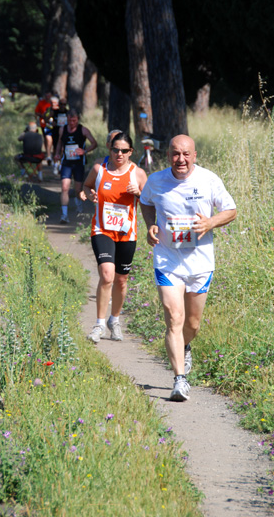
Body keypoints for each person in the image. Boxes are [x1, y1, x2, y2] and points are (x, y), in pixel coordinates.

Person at [139, 135, 237, 402]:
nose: (180, 160)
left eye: (185, 154)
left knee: (192, 323)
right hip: (167, 260)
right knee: (174, 318)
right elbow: (146, 202)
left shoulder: (208, 180)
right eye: (174, 154)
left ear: (194, 156)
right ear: (168, 155)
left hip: (200, 262)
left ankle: (185, 345)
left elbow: (231, 210)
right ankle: (179, 380)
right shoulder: (156, 181)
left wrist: (210, 223)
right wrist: (150, 225)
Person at [83, 132, 147, 343]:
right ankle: (99, 324)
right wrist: (89, 193)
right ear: (109, 149)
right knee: (107, 274)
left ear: (131, 152)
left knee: (121, 280)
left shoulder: (137, 174)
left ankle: (115, 320)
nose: (119, 154)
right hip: (102, 229)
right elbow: (87, 186)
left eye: (124, 150)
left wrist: (138, 192)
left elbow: (149, 202)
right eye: (115, 150)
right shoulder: (98, 170)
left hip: (127, 233)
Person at [54, 109, 97, 222]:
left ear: (77, 119)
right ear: (67, 119)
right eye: (69, 120)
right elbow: (59, 142)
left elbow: (94, 143)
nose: (72, 123)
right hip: (66, 162)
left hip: (78, 163)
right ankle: (64, 215)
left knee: (78, 189)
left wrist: (85, 151)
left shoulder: (83, 130)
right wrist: (57, 154)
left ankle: (79, 206)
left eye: (74, 120)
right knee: (64, 187)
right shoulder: (63, 129)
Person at [35, 92, 52, 163]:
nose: (48, 97)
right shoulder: (41, 103)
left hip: (52, 123)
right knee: (46, 138)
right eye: (46, 96)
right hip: (44, 124)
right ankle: (48, 153)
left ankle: (50, 153)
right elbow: (36, 112)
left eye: (49, 96)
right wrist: (41, 115)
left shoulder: (53, 103)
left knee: (50, 138)